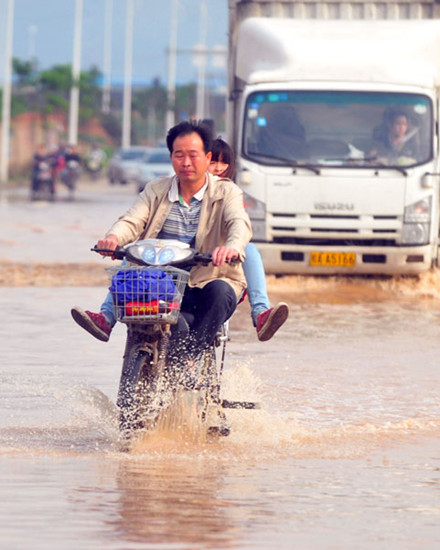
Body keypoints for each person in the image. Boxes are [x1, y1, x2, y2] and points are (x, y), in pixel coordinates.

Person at [71, 120, 252, 362]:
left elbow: (238, 223)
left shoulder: (227, 192)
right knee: (128, 280)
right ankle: (113, 328)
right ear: (171, 158)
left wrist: (231, 247)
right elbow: (132, 220)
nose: (186, 162)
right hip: (159, 280)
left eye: (193, 155)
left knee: (220, 291)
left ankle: (189, 361)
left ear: (207, 158)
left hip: (207, 279)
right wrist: (113, 238)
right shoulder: (155, 189)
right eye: (179, 155)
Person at [209, 138, 289, 341]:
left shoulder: (231, 193)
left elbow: (239, 223)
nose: (218, 168)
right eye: (212, 162)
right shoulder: (171, 189)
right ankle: (112, 318)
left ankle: (261, 313)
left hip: (217, 259)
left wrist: (232, 247)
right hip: (181, 259)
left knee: (250, 249)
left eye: (223, 162)